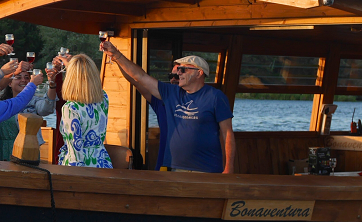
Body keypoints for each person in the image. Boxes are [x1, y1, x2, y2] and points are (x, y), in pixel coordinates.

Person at [100, 43, 235, 173]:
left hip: (207, 169)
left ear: (199, 73)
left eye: (182, 70)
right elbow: (139, 77)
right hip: (175, 169)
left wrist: (228, 167)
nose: (178, 74)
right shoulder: (170, 93)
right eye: (176, 72)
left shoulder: (215, 97)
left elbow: (227, 134)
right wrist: (116, 55)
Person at [57, 53, 113, 168]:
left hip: (80, 168)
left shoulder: (71, 109)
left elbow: (75, 152)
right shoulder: (103, 98)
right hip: (102, 162)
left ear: (70, 78)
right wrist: (73, 65)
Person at [0, 64, 57, 161]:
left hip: (27, 150)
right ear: (9, 83)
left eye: (27, 78)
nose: (23, 80)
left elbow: (47, 108)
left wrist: (52, 85)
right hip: (2, 149)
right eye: (18, 77)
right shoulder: (1, 103)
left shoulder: (33, 101)